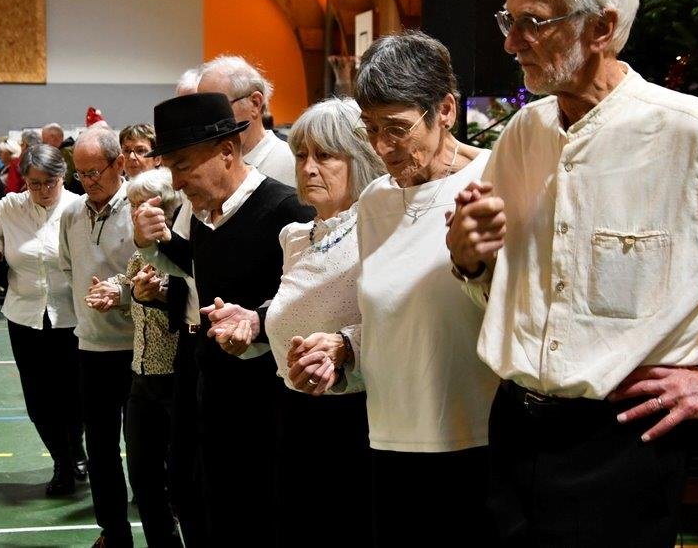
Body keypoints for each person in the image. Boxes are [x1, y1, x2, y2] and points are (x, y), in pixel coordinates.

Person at [446, 0, 698, 546]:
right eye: (508, 20)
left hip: (623, 447)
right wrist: (470, 260)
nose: (512, 43)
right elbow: (502, 290)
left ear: (601, 28)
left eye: (533, 22)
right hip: (512, 432)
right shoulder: (524, 135)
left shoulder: (695, 136)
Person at [294, 32, 499, 547]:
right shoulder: (376, 201)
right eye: (371, 129)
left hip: (475, 438)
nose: (383, 147)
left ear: (445, 110)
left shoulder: (492, 181)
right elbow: (389, 313)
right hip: (387, 434)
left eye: (397, 128)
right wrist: (342, 346)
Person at [132, 93, 314, 548]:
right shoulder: (204, 215)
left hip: (267, 409)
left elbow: (310, 305)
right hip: (209, 390)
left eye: (183, 166)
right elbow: (205, 269)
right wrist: (155, 243)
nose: (176, 182)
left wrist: (256, 324)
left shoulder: (287, 212)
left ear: (227, 152)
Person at [261, 98, 384, 548]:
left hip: (356, 420)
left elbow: (401, 321)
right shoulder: (294, 236)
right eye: (301, 155)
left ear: (359, 158)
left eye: (326, 155)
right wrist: (254, 320)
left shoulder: (378, 227)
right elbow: (296, 310)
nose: (309, 168)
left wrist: (344, 345)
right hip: (294, 414)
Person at [0, 143, 86, 496]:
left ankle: (75, 448)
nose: (43, 191)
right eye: (34, 184)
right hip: (24, 318)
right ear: (25, 181)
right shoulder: (10, 207)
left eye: (50, 182)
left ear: (63, 177)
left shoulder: (79, 207)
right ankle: (62, 461)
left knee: (74, 396)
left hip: (73, 317)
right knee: (38, 399)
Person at [57, 127, 136, 548]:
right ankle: (114, 532)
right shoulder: (71, 214)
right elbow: (69, 268)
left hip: (139, 348)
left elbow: (159, 276)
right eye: (81, 174)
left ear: (119, 164)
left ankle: (163, 526)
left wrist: (120, 295)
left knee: (145, 451)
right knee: (101, 449)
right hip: (91, 347)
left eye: (95, 172)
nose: (88, 181)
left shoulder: (141, 208)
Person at [124, 168, 183, 548]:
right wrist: (119, 292)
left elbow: (194, 304)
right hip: (142, 372)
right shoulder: (139, 250)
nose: (135, 212)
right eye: (132, 205)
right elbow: (135, 293)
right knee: (143, 478)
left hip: (177, 375)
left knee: (181, 482)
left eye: (141, 204)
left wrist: (159, 296)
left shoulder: (182, 246)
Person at [194, 55, 295, 187]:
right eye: (202, 111)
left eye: (216, 108)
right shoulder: (208, 164)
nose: (207, 121)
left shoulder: (290, 164)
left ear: (255, 104)